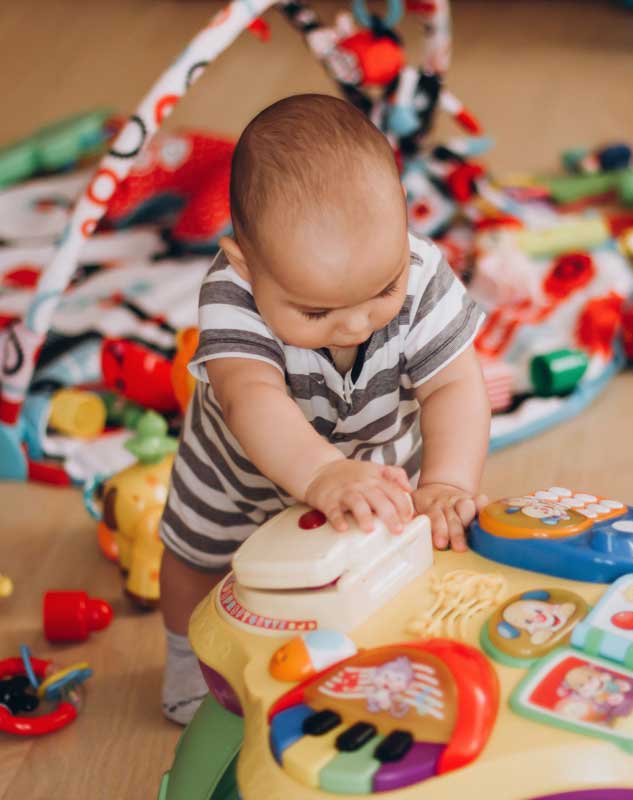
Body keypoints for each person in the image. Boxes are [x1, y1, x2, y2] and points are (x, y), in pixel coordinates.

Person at [158, 93, 490, 723]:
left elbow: (455, 387)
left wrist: (448, 480)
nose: (357, 325)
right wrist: (320, 474)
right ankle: (186, 659)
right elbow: (252, 397)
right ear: (244, 262)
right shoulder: (231, 295)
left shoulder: (421, 273)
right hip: (238, 476)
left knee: (399, 559)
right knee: (191, 556)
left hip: (382, 464)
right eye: (315, 312)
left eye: (382, 290)